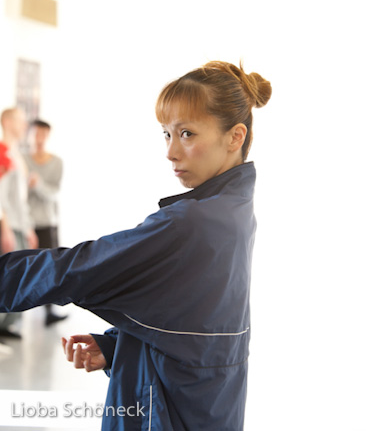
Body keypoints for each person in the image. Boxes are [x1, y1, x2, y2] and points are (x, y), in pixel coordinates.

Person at [0, 61, 271, 430]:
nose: (171, 152)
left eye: (187, 133)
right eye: (167, 134)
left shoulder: (192, 222)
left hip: (168, 410)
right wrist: (117, 347)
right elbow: (200, 318)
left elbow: (80, 268)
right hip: (207, 403)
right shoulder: (235, 209)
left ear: (235, 136)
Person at [24, 119, 67, 326]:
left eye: (43, 134)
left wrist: (37, 183)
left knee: (51, 267)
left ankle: (49, 311)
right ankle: (15, 315)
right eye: (35, 134)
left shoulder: (56, 162)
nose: (39, 138)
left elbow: (53, 193)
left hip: (47, 222)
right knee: (24, 266)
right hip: (25, 223)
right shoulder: (21, 160)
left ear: (48, 136)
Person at [0, 108, 38, 340]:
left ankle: (6, 325)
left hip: (19, 224)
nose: (25, 126)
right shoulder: (2, 151)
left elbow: (19, 196)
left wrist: (28, 228)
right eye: (20, 121)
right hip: (6, 225)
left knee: (18, 277)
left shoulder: (16, 154)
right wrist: (5, 227)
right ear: (6, 121)